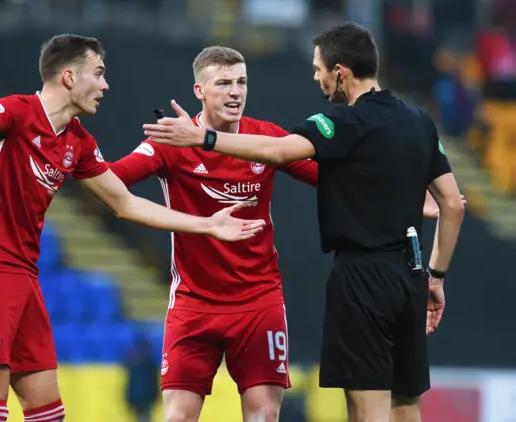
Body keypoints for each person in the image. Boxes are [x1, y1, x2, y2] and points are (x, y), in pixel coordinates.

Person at [0, 34, 265, 422]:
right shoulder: (16, 111)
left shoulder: (78, 143)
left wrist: (206, 224)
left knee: (47, 411)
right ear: (69, 77)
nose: (105, 85)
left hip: (25, 275)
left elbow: (125, 202)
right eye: (98, 74)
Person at [111, 46, 458, 422]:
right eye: (223, 83)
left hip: (258, 302)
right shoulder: (171, 142)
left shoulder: (267, 140)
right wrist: (77, 155)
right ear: (199, 91)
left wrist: (399, 193)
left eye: (242, 82)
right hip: (194, 303)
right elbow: (111, 183)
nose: (235, 92)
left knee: (263, 414)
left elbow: (334, 179)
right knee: (177, 416)